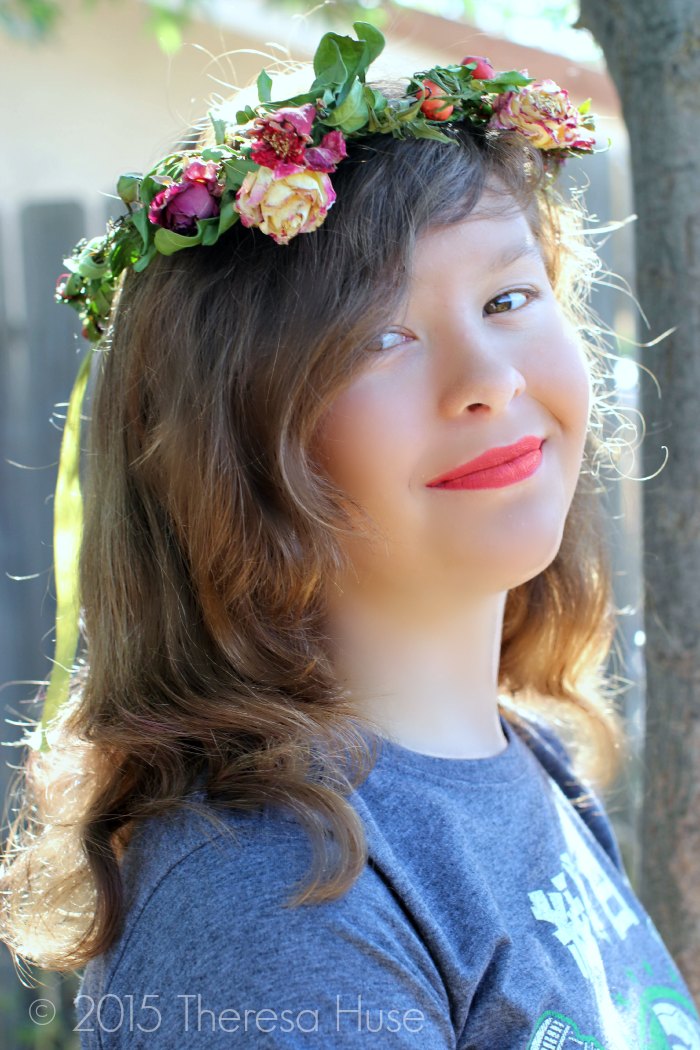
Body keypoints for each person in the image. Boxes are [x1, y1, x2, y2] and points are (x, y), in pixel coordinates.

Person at [2, 22, 699, 1049]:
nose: (491, 380)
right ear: (226, 443)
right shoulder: (272, 900)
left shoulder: (521, 765)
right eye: (379, 337)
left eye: (508, 297)